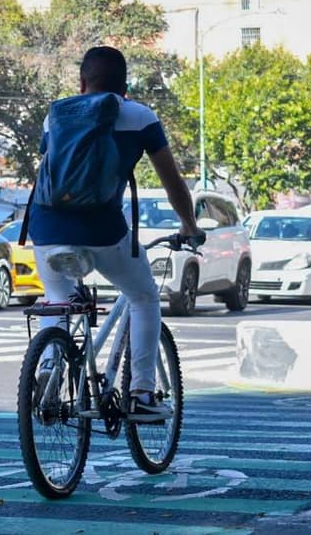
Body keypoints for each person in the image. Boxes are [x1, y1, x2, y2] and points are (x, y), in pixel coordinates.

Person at [28, 46, 202, 422]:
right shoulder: (139, 116)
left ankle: (46, 368)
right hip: (102, 229)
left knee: (57, 296)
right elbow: (172, 181)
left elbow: (50, 173)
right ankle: (141, 391)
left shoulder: (55, 115)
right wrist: (189, 225)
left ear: (81, 82)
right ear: (126, 87)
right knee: (142, 295)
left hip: (46, 226)